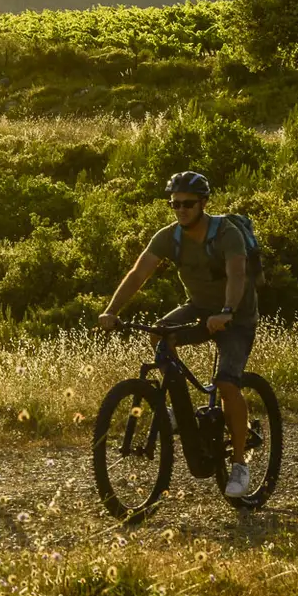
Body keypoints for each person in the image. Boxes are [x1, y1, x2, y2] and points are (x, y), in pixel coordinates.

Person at [98, 171, 259, 498]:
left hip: (236, 315)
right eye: (175, 204)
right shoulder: (169, 237)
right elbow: (138, 272)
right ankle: (174, 411)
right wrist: (112, 311)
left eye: (187, 204)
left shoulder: (226, 234)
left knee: (227, 383)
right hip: (199, 308)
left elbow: (237, 274)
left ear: (203, 203)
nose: (181, 210)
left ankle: (240, 464)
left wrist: (227, 311)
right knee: (159, 334)